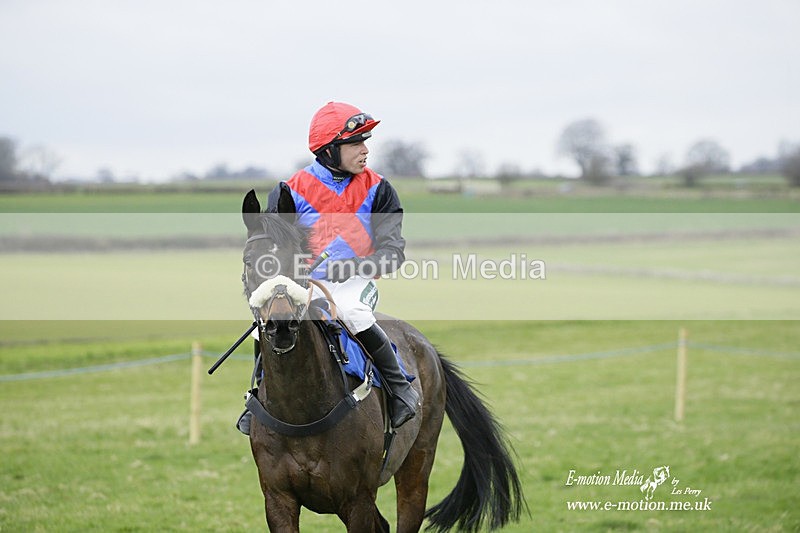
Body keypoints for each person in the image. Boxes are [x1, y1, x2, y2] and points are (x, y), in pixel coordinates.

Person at [237, 101, 420, 435]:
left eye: (366, 141)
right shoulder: (289, 190)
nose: (365, 150)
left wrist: (353, 266)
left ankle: (400, 389)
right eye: (356, 143)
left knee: (353, 312)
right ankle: (258, 398)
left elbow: (393, 252)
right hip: (302, 281)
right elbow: (275, 246)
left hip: (356, 281)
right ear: (330, 150)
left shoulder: (379, 189)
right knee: (264, 324)